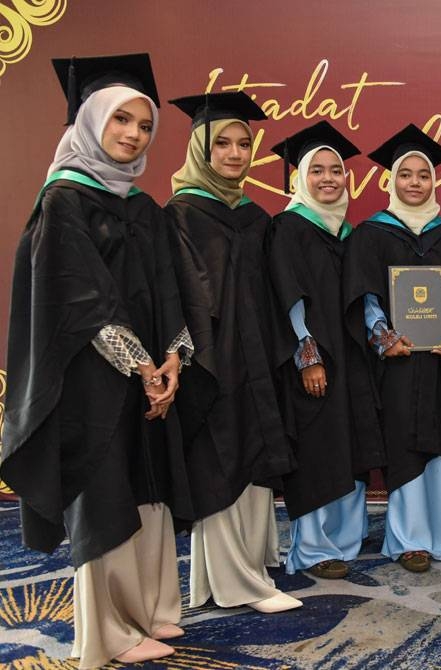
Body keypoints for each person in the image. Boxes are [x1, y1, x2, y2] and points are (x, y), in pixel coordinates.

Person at [0, 53, 192, 667]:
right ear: (89, 122)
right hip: (92, 379)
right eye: (122, 121)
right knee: (105, 492)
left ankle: (153, 611)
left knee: (150, 486)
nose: (134, 134)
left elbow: (172, 290)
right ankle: (106, 633)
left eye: (144, 125)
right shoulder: (64, 200)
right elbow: (80, 298)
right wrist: (141, 366)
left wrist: (174, 360)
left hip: (149, 378)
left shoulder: (143, 207)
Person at [166, 92, 299, 612]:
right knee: (220, 456)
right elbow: (179, 292)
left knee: (255, 451)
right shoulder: (181, 213)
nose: (235, 153)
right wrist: (200, 356)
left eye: (244, 143)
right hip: (211, 358)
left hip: (257, 354)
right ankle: (235, 581)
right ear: (200, 149)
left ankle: (250, 563)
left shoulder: (255, 217)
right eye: (221, 143)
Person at [342, 124, 441, 572]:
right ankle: (411, 539)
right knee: (403, 442)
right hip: (397, 362)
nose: (414, 183)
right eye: (406, 175)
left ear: (433, 181)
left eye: (423, 175)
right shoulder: (370, 234)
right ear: (391, 180)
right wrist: (383, 337)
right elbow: (365, 294)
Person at [268, 121, 382, 579]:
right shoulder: (288, 227)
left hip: (352, 354)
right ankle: (314, 547)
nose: (329, 179)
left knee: (350, 444)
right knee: (317, 449)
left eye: (336, 170)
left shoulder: (349, 232)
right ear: (300, 177)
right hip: (316, 357)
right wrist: (306, 355)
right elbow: (289, 296)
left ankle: (346, 538)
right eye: (318, 171)